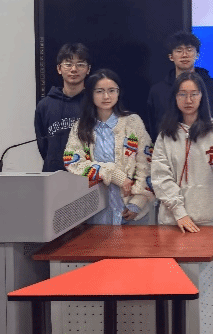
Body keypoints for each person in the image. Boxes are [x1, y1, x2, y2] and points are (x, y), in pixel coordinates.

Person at [64, 69, 154, 224]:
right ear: (91, 94)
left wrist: (138, 201)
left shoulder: (133, 122)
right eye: (99, 91)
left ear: (118, 93)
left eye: (112, 90)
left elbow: (147, 163)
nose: (106, 96)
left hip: (132, 211)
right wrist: (112, 174)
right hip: (95, 212)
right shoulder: (81, 127)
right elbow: (72, 161)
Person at [151, 71, 213, 233]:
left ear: (202, 96)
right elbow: (160, 178)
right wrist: (179, 213)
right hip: (174, 221)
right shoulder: (165, 135)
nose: (188, 100)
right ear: (175, 97)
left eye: (194, 94)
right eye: (182, 94)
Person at [146, 31, 213, 140]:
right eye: (179, 51)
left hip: (205, 144)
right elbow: (153, 125)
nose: (184, 55)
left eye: (189, 50)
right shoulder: (158, 90)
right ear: (171, 56)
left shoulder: (211, 86)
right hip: (168, 144)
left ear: (197, 55)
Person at [35, 43, 91, 172]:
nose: (74, 69)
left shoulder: (94, 103)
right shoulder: (45, 105)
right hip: (54, 174)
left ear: (88, 69)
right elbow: (43, 146)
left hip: (87, 176)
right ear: (59, 68)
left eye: (80, 64)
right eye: (68, 64)